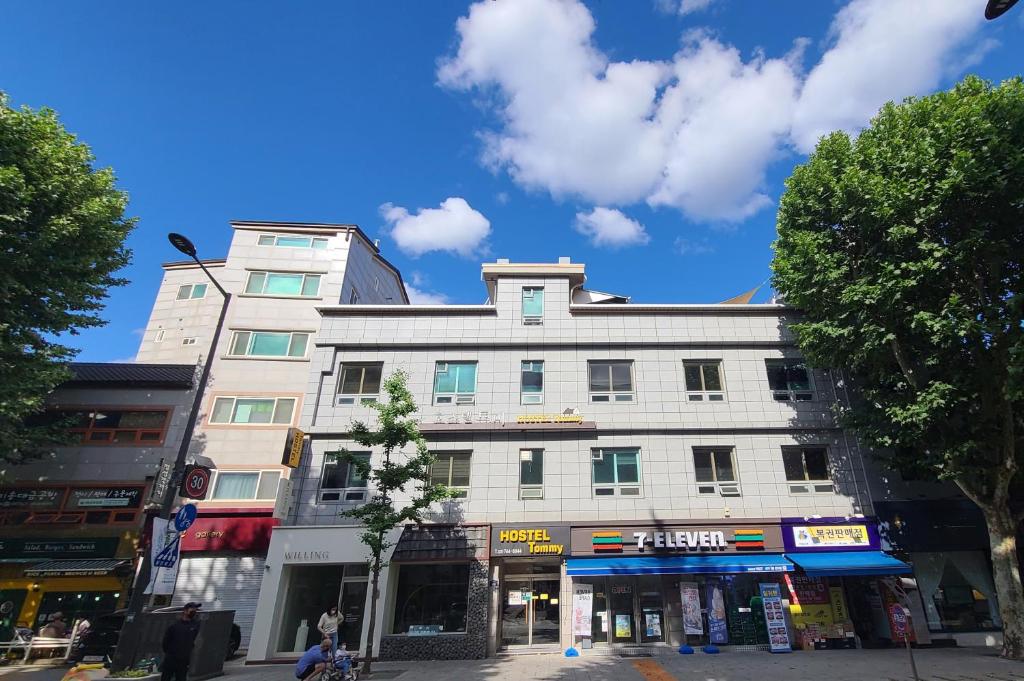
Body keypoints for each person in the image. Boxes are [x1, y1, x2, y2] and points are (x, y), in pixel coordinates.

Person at [160, 602, 201, 681]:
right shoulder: (174, 626)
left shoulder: (195, 625)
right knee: (166, 677)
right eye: (192, 610)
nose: (194, 612)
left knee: (181, 678)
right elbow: (165, 643)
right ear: (185, 611)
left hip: (184, 659)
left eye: (195, 610)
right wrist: (170, 652)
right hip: (171, 658)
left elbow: (194, 639)